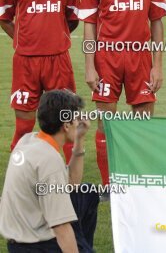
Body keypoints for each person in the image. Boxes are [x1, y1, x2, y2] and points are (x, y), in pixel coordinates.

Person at [79, 0, 166, 186]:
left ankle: (137, 180)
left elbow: (156, 23)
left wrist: (158, 66)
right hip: (106, 59)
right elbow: (89, 25)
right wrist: (89, 66)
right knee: (107, 125)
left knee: (141, 123)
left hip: (140, 59)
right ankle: (109, 185)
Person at [0, 0, 79, 161]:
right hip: (25, 62)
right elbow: (4, 17)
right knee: (24, 126)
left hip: (58, 60)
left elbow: (72, 19)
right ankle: (20, 175)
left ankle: (63, 177)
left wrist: (55, 37)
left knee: (64, 123)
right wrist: (24, 39)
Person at [0, 90, 98, 253]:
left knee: (87, 194)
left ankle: (84, 246)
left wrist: (79, 138)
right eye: (76, 118)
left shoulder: (28, 140)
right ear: (66, 125)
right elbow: (61, 227)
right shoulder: (49, 161)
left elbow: (72, 183)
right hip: (34, 246)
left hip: (22, 232)